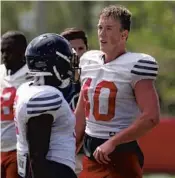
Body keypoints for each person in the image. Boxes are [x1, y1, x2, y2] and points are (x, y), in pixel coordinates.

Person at [75, 5, 160, 178]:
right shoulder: (88, 61)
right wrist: (70, 147)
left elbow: (151, 116)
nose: (102, 33)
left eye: (108, 29)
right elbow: (81, 111)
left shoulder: (136, 65)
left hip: (120, 154)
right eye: (100, 28)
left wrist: (113, 142)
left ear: (124, 34)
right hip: (90, 152)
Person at [14, 33, 78, 178]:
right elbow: (37, 157)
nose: (69, 64)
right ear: (54, 64)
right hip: (54, 171)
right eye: (66, 59)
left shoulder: (25, 89)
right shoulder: (45, 96)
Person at [0, 31, 33, 178]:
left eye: (9, 51)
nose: (5, 55)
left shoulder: (32, 76)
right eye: (2, 51)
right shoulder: (1, 72)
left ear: (22, 52)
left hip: (18, 148)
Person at [61, 28, 88, 175]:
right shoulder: (52, 79)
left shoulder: (95, 77)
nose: (77, 53)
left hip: (88, 150)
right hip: (63, 149)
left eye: (81, 48)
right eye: (72, 49)